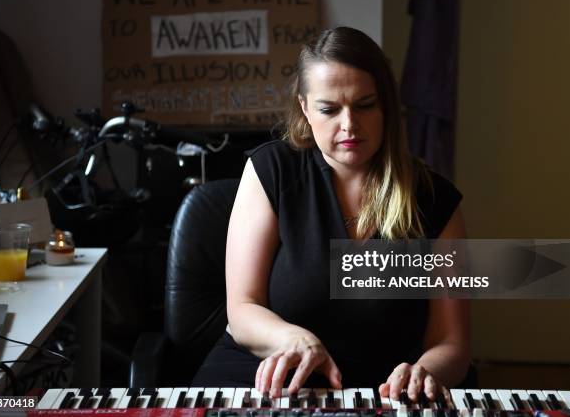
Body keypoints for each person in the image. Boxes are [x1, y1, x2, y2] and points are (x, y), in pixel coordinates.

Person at [192, 26, 469, 403]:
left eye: (365, 104)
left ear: (386, 104)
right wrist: (294, 338)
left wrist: (426, 370)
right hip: (264, 375)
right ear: (305, 107)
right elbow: (242, 309)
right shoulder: (271, 170)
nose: (349, 124)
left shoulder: (435, 201)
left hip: (380, 391)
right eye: (329, 109)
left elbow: (451, 342)